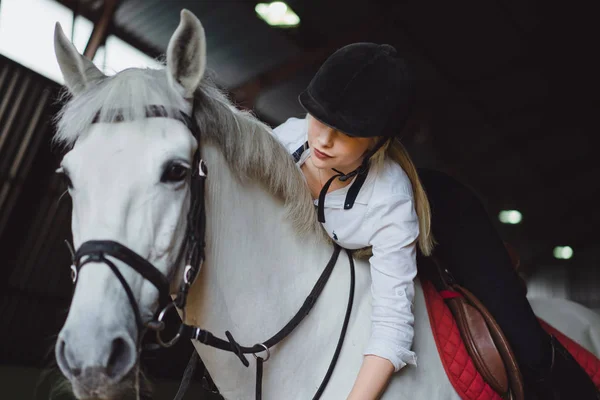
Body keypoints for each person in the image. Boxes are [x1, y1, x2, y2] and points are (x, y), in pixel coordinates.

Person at [271, 42, 599, 399]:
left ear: (377, 140)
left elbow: (393, 330)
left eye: (347, 132)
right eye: (318, 118)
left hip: (450, 219)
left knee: (524, 342)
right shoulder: (285, 140)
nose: (323, 140)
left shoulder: (390, 200)